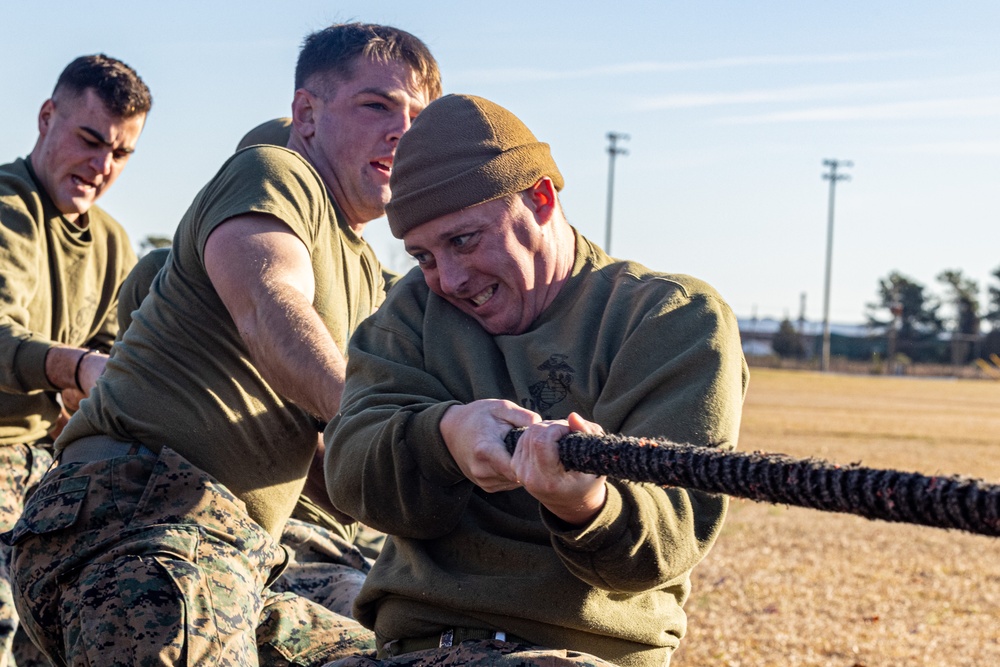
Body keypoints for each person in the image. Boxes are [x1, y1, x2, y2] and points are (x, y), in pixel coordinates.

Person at [4, 23, 440, 666]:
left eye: (418, 116)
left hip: (229, 548)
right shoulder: (276, 174)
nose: (402, 130)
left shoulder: (355, 263)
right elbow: (270, 308)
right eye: (378, 105)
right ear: (307, 114)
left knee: (403, 650)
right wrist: (385, 422)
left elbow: (322, 450)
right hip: (147, 521)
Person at [323, 94, 749, 667]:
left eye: (464, 240)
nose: (447, 278)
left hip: (570, 652)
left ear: (541, 198)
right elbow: (351, 469)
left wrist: (587, 504)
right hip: (413, 648)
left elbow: (666, 542)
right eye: (422, 255)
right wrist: (444, 436)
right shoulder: (414, 311)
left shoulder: (671, 319)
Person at [0, 53, 150, 666]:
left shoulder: (113, 241)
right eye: (90, 141)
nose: (101, 166)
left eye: (120, 154)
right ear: (45, 118)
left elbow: (121, 354)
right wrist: (75, 369)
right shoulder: (9, 210)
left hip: (52, 467)